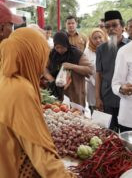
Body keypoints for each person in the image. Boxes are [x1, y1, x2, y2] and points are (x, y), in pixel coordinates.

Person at [0, 28, 75, 177]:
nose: (44, 62)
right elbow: (40, 153)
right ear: (31, 55)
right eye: (42, 55)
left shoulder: (5, 77)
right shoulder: (19, 90)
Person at [96, 10, 129, 131]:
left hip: (127, 99)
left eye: (114, 25)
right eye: (107, 26)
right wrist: (97, 98)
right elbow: (99, 74)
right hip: (107, 97)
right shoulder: (101, 49)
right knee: (109, 134)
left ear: (122, 27)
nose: (111, 29)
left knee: (126, 134)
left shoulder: (131, 46)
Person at [44, 31, 93, 106]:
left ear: (66, 44)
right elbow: (45, 68)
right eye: (57, 47)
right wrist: (51, 79)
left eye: (62, 47)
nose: (60, 50)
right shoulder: (52, 54)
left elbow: (89, 69)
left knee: (75, 114)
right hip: (56, 92)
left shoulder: (76, 54)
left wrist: (72, 66)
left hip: (74, 93)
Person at [84, 28, 108, 114]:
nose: (98, 40)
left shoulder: (109, 49)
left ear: (104, 37)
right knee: (95, 113)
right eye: (95, 38)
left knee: (107, 113)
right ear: (91, 39)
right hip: (92, 86)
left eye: (100, 37)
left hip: (107, 87)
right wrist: (95, 83)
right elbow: (86, 69)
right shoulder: (87, 51)